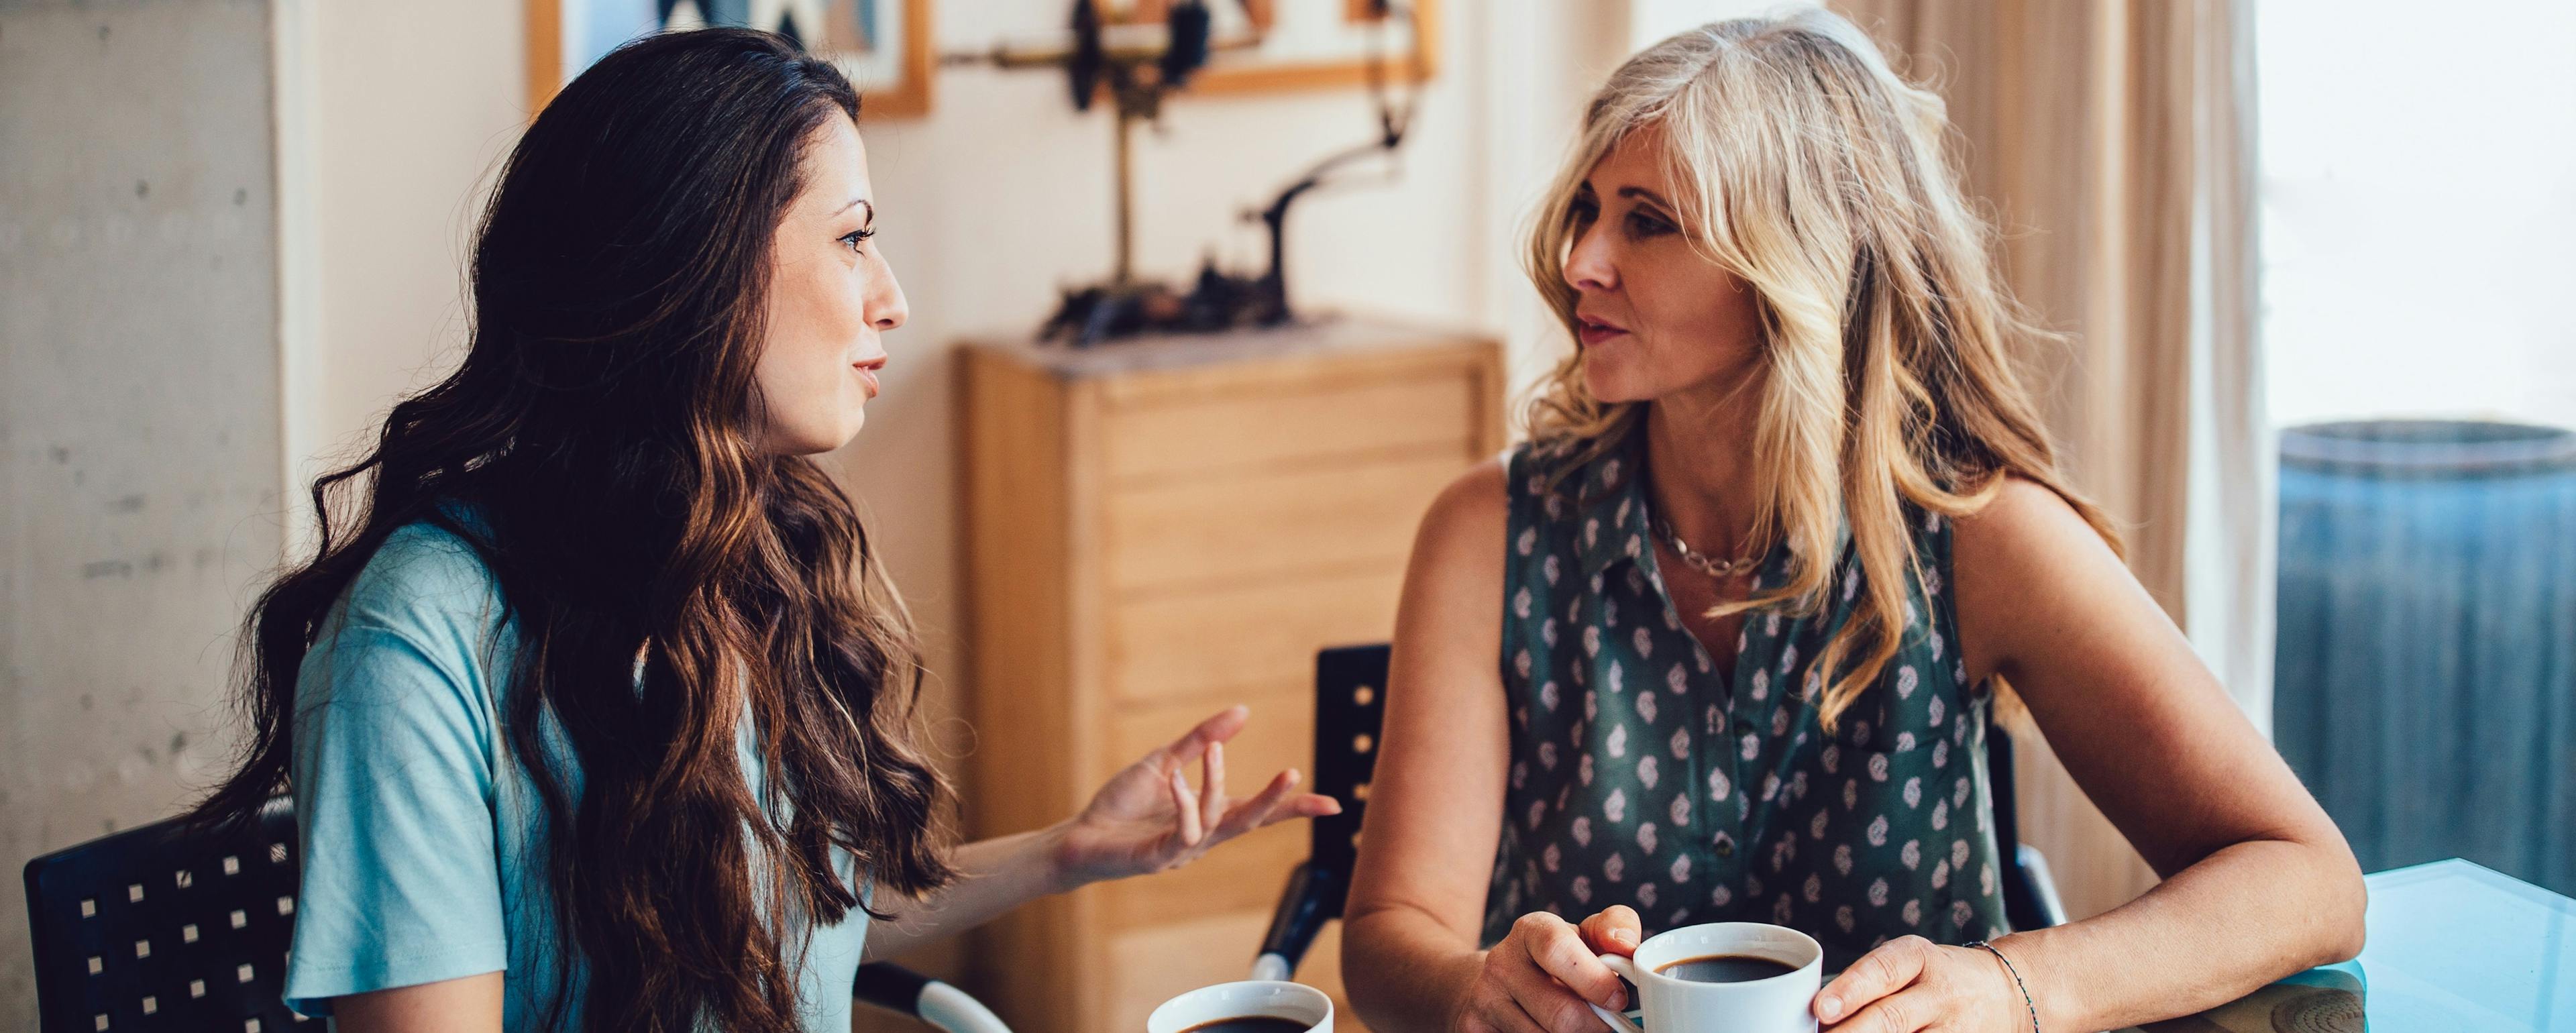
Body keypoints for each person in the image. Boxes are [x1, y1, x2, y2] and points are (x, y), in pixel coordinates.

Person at [185, 29, 1335, 1033]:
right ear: (697, 262)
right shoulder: (415, 636)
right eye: (852, 239)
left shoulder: (744, 544)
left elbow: (777, 916)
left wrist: (1068, 850)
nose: (891, 298)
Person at [1340, 11, 2365, 1033]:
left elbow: (2310, 880)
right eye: (1588, 211)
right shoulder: (1490, 532)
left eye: (1646, 222)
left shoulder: (1980, 538)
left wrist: (2017, 986)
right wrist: (1472, 990)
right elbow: (1390, 937)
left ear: (1797, 260)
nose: (1581, 262)